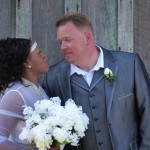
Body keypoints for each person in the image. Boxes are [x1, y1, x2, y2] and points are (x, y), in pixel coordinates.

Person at [43, 12, 150, 150]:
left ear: (87, 37)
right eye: (60, 41)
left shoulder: (129, 64)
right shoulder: (53, 77)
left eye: (68, 39)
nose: (62, 47)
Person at [0, 38, 60, 150]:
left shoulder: (37, 87)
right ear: (27, 63)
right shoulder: (16, 94)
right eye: (39, 53)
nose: (44, 55)